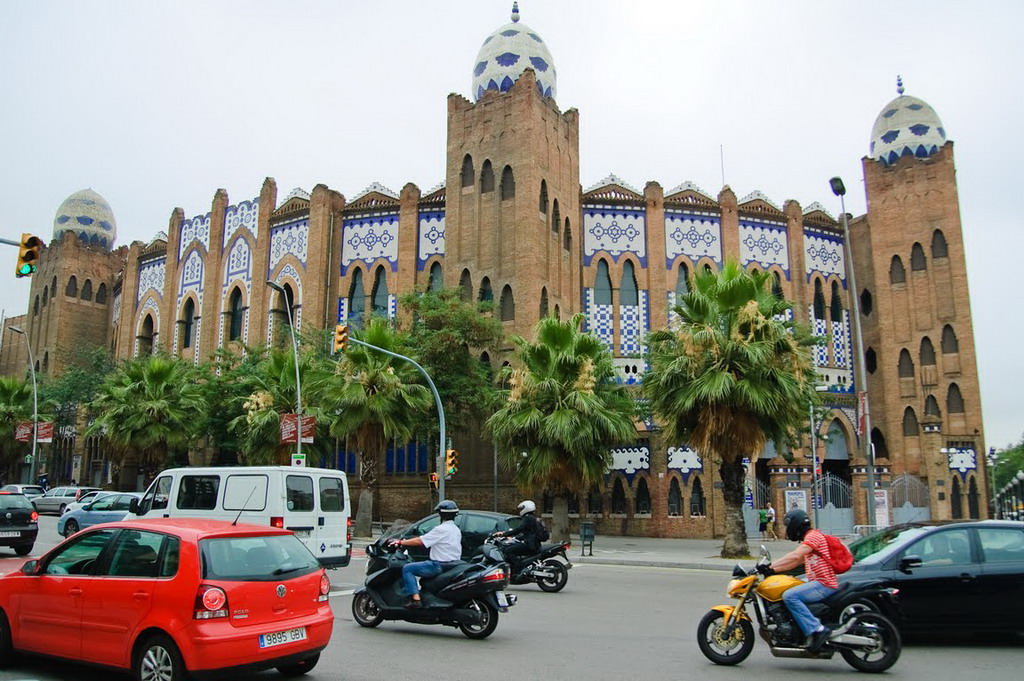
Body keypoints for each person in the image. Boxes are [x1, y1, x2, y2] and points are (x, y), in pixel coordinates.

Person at [759, 509, 836, 652]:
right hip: (818, 582)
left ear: (795, 524)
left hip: (823, 584)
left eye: (788, 526)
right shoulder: (811, 538)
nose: (788, 530)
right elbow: (796, 562)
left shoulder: (813, 537)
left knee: (790, 596)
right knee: (789, 588)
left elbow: (795, 556)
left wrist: (770, 566)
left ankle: (817, 630)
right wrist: (773, 570)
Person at [391, 500, 463, 609]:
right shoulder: (455, 529)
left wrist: (400, 542)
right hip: (453, 564)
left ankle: (415, 599)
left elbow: (420, 541)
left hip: (438, 565)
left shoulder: (441, 529)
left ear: (441, 514)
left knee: (407, 568)